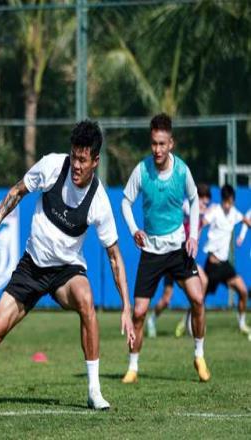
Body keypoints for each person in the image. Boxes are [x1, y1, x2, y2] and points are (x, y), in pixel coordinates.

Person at [0, 120, 135, 412]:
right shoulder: (52, 166)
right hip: (32, 267)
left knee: (86, 299)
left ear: (95, 161)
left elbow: (115, 256)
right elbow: (18, 191)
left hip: (66, 270)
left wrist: (126, 307)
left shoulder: (99, 201)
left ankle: (94, 391)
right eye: (74, 157)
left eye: (83, 160)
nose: (76, 165)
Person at [121, 113, 210, 384]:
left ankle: (199, 355)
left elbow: (194, 200)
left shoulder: (182, 171)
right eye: (154, 143)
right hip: (151, 251)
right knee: (138, 312)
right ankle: (133, 367)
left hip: (178, 249)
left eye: (162, 144)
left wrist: (192, 236)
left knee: (198, 299)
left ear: (171, 143)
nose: (157, 149)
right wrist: (134, 229)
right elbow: (125, 202)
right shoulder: (142, 170)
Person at [146, 183, 211, 338]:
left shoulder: (203, 215)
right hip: (173, 255)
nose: (205, 202)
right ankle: (152, 320)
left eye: (207, 200)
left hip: (186, 259)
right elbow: (186, 209)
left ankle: (189, 319)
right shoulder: (188, 206)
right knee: (166, 299)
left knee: (203, 282)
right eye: (202, 199)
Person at [202, 185, 251, 334]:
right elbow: (202, 223)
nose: (228, 205)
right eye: (225, 202)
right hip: (212, 265)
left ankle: (242, 324)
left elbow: (246, 221)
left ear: (233, 201)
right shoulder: (215, 211)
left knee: (243, 291)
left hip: (225, 265)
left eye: (230, 202)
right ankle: (189, 321)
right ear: (222, 200)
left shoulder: (234, 213)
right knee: (199, 299)